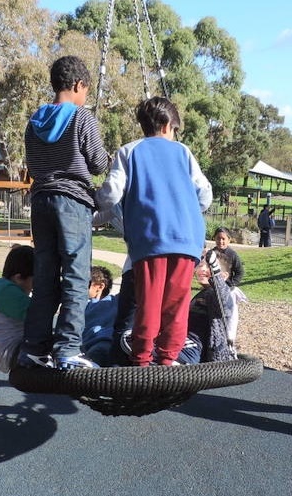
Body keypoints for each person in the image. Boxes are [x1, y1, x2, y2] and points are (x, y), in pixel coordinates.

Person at [96, 96, 212, 366]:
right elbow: (204, 195)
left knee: (149, 302)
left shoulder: (129, 151)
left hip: (150, 239)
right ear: (168, 124)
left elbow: (111, 194)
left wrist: (95, 199)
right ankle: (168, 359)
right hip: (187, 239)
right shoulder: (183, 152)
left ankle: (141, 359)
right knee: (176, 304)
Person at [21, 55, 110, 370]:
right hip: (72, 202)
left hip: (41, 200)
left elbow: (32, 166)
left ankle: (34, 347)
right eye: (86, 91)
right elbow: (99, 163)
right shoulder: (82, 117)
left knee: (45, 275)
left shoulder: (34, 121)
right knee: (75, 274)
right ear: (78, 85)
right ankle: (68, 350)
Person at [0, 245, 35, 373]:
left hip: (12, 351)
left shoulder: (0, 286)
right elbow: (39, 315)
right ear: (18, 277)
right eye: (35, 279)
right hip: (12, 353)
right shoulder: (6, 291)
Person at [82, 265, 118, 366]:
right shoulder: (83, 304)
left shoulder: (114, 301)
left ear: (100, 287)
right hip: (87, 348)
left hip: (100, 344)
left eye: (86, 284)